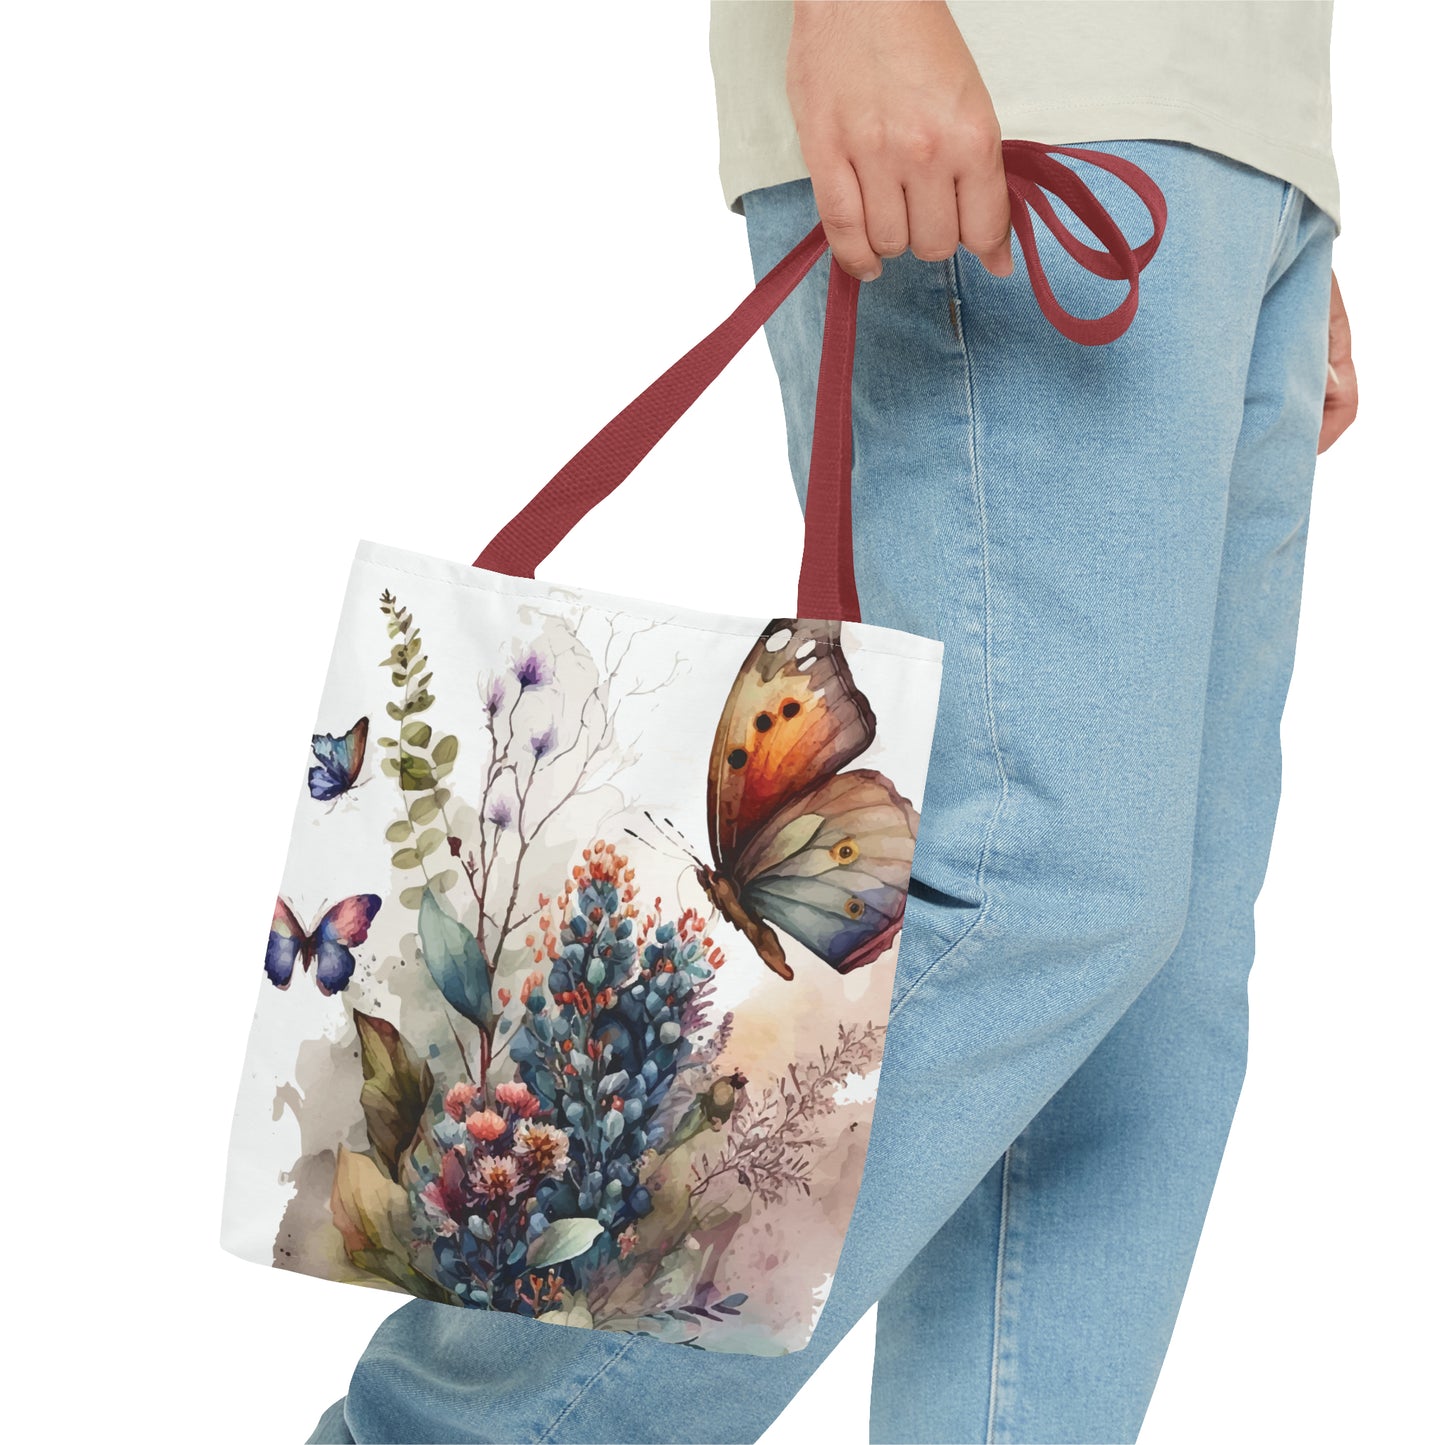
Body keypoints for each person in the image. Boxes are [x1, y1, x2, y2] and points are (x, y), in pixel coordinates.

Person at [309, 3, 1357, 1441]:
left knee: (1145, 1013)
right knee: (1029, 887)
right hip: (1016, 80)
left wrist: (1269, 172)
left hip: (1226, 138)